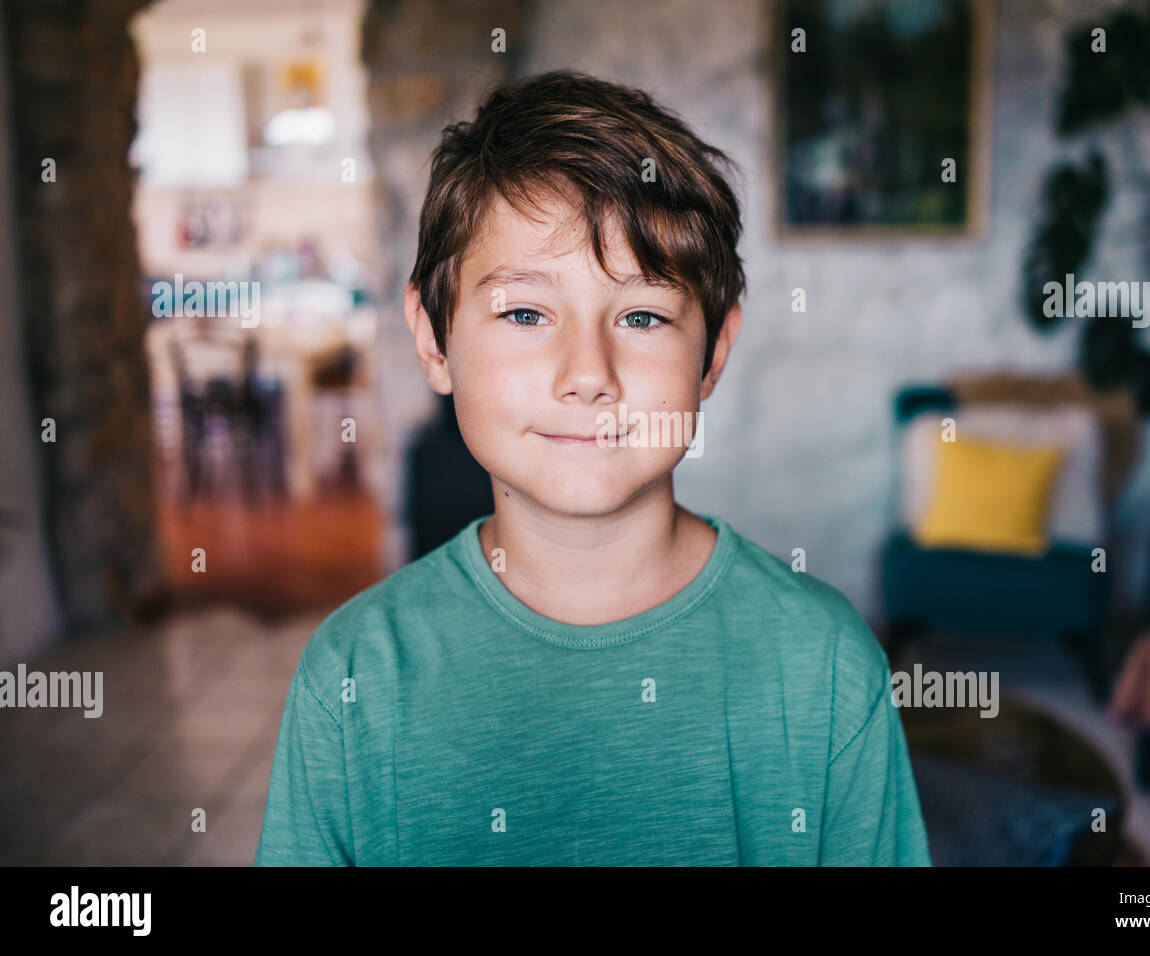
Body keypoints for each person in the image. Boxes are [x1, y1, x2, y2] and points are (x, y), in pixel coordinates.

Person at [255, 69, 930, 866]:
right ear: (434, 338)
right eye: (526, 313)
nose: (588, 372)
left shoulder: (822, 666)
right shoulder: (353, 677)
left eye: (642, 315)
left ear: (713, 349)